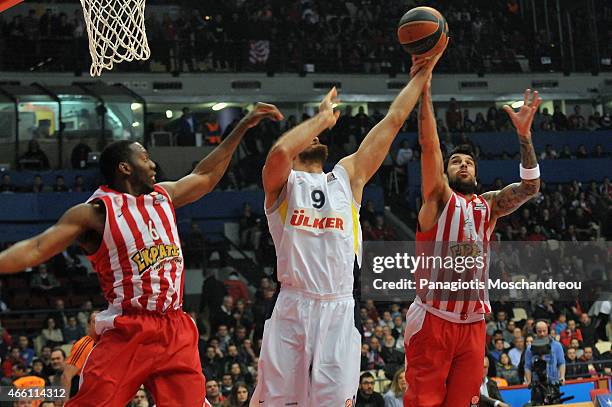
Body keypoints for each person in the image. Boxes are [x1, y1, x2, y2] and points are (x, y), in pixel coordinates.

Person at [0, 102, 283, 406]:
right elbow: (37, 248)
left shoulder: (163, 196)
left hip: (175, 327)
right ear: (125, 167)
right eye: (145, 158)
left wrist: (241, 126)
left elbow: (207, 174)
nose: (152, 164)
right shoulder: (95, 212)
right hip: (128, 329)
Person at [252, 54, 437, 406]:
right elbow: (278, 152)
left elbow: (393, 121)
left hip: (339, 307)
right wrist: (321, 119)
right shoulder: (283, 184)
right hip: (293, 306)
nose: (313, 138)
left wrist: (424, 71)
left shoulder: (345, 177)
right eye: (305, 136)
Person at [405, 82, 542, 405]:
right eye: (456, 161)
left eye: (468, 162)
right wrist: (425, 92)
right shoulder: (438, 200)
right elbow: (429, 145)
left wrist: (524, 136)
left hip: (474, 324)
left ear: (477, 174)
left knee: (465, 402)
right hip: (434, 319)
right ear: (445, 171)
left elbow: (530, 187)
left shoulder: (488, 206)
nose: (463, 164)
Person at [62, 311, 98, 399]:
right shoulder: (84, 344)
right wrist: (65, 403)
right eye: (94, 322)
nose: (98, 325)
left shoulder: (104, 344)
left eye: (100, 322)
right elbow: (66, 376)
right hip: (80, 397)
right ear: (88, 325)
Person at [524, 321, 566, 386]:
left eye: (544, 331)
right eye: (539, 331)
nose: (542, 334)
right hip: (537, 383)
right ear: (535, 331)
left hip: (554, 382)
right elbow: (527, 366)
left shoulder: (557, 345)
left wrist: (562, 377)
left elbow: (561, 362)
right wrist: (528, 381)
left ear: (548, 330)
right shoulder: (530, 348)